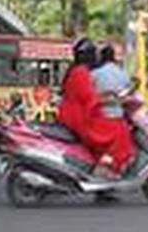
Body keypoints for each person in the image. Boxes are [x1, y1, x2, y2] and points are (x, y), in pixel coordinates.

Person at [58, 38, 136, 178]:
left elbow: (88, 96)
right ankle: (107, 169)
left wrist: (105, 97)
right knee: (119, 130)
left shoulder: (78, 70)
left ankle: (104, 165)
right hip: (79, 116)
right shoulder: (82, 72)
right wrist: (109, 98)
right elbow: (88, 98)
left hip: (74, 113)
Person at [92, 44, 130, 119]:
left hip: (99, 115)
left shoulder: (94, 73)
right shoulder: (123, 73)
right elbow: (127, 93)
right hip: (118, 116)